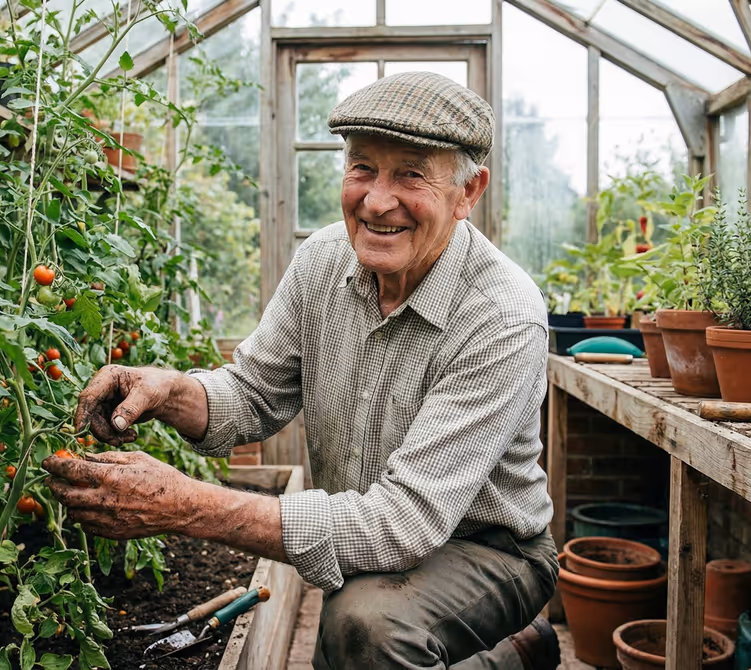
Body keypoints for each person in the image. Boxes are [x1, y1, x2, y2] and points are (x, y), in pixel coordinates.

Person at [43, 71, 561, 669]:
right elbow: (252, 393)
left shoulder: (501, 315)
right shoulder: (323, 262)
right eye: (363, 167)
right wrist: (167, 389)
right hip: (375, 527)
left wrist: (185, 504)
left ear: (469, 192)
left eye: (411, 175)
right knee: (355, 635)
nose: (376, 200)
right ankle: (515, 657)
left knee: (365, 627)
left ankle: (507, 640)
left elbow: (402, 523)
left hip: (491, 546)